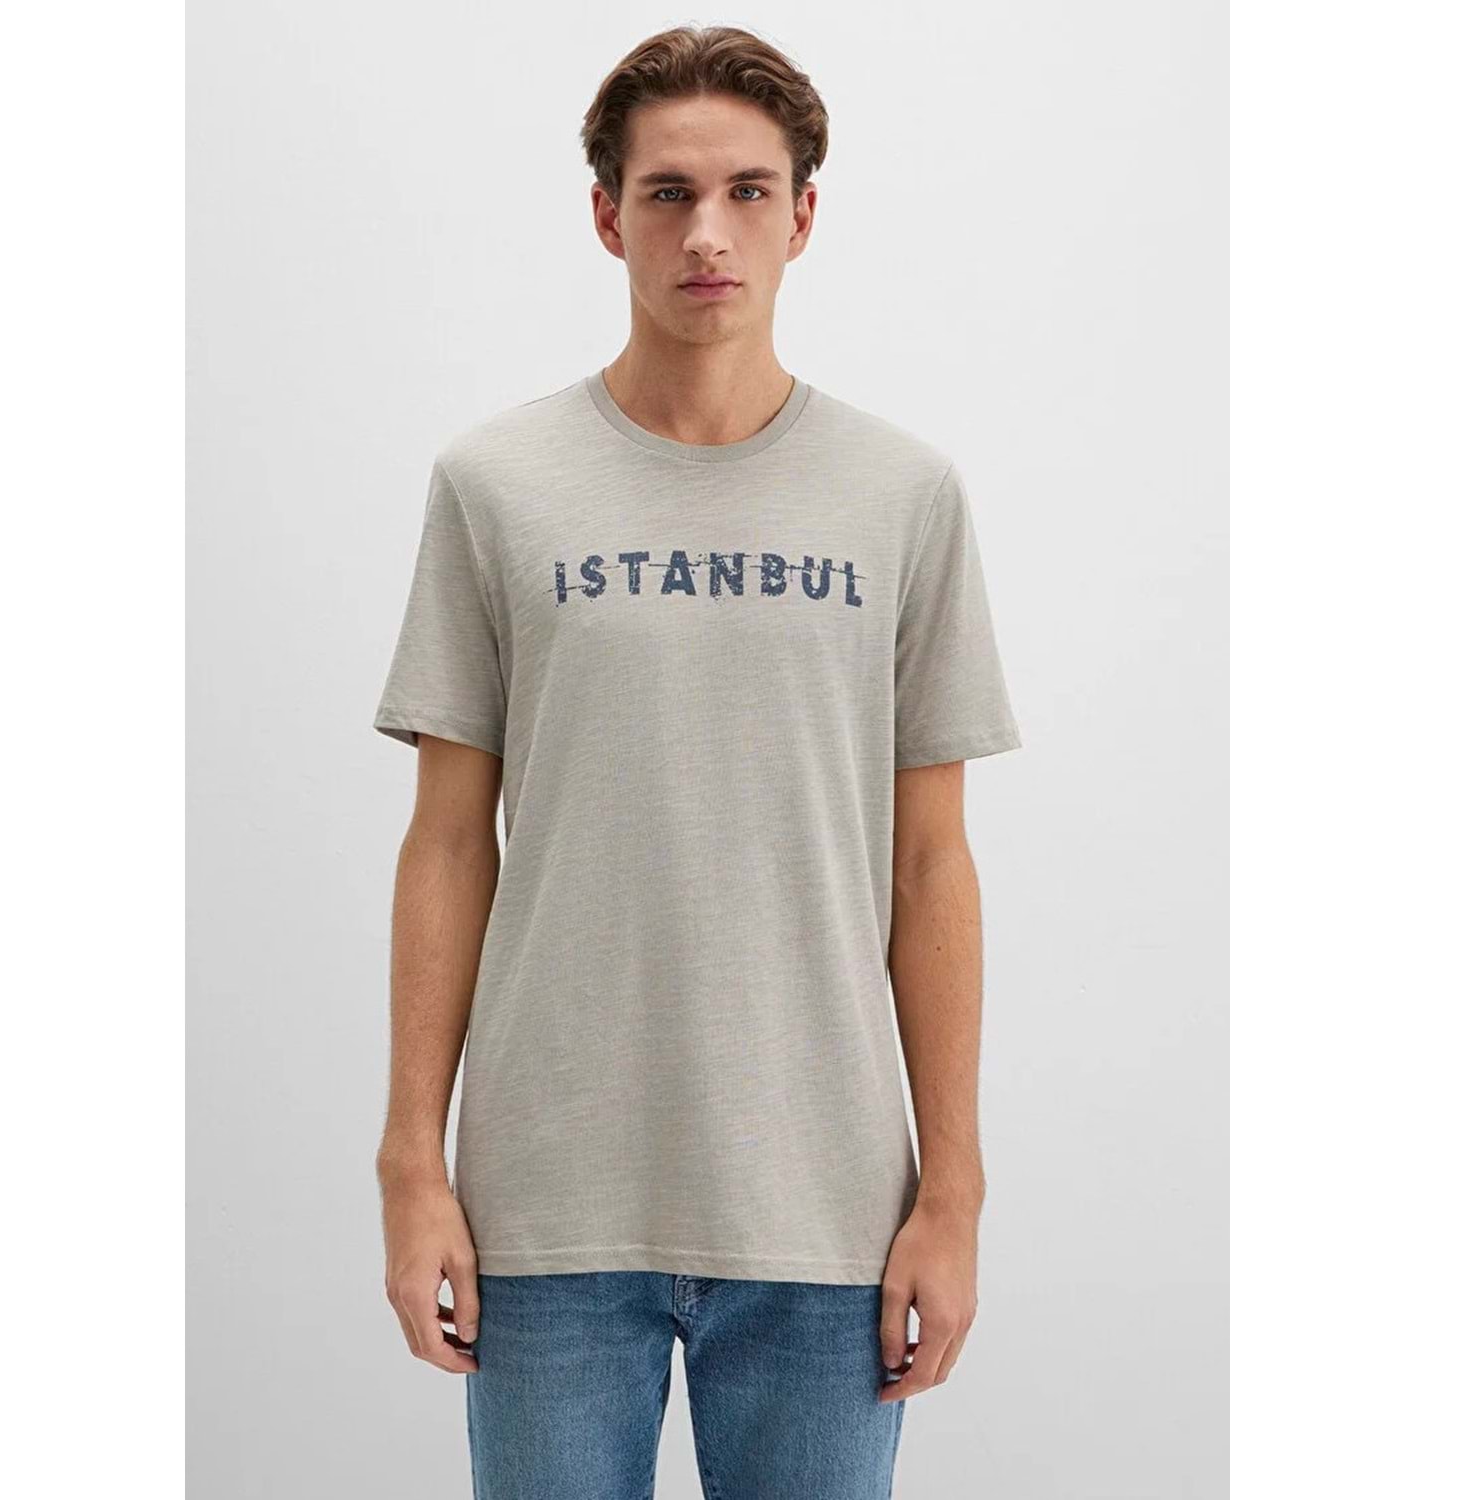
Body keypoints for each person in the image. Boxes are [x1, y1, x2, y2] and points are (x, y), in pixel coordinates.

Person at [373, 24, 1022, 1499]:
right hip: (546, 1210)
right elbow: (448, 842)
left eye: (747, 191)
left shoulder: (904, 497)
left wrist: (955, 1192)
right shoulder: (496, 486)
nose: (708, 233)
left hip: (829, 1213)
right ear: (609, 217)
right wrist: (413, 1163)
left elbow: (932, 865)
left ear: (805, 215)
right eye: (668, 193)